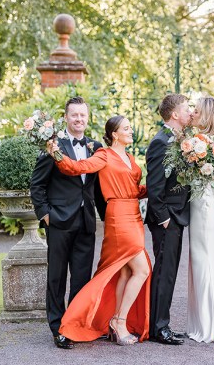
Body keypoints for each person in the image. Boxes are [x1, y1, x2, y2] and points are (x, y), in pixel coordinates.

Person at [47, 115, 151, 346]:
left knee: (125, 272)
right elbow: (76, 167)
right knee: (142, 269)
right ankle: (119, 321)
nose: (131, 130)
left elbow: (134, 189)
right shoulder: (103, 155)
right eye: (126, 128)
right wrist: (55, 152)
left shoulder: (130, 158)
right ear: (114, 134)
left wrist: (159, 185)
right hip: (118, 217)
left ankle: (115, 321)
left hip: (133, 213)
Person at [30, 96, 106, 349]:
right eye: (74, 115)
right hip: (60, 221)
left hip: (86, 221)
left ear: (87, 117)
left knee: (82, 278)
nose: (79, 119)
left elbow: (97, 189)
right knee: (57, 277)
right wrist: (45, 214)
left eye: (83, 115)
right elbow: (37, 184)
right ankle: (56, 327)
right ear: (65, 117)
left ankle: (73, 325)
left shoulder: (95, 147)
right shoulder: (53, 146)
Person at [145, 94, 192, 345]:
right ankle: (158, 328)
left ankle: (161, 323)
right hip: (167, 218)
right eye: (187, 109)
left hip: (177, 215)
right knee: (165, 272)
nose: (190, 112)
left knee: (169, 272)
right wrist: (163, 218)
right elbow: (154, 185)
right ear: (174, 114)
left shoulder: (180, 140)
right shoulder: (160, 142)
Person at [186, 96, 214, 343]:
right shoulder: (211, 142)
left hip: (203, 205)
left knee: (203, 259)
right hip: (205, 202)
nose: (192, 113)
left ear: (207, 116)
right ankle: (209, 319)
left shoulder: (201, 143)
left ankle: (208, 323)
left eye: (196, 110)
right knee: (207, 258)